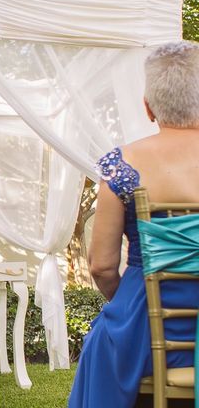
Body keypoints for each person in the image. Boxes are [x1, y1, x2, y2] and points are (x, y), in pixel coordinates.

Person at [68, 41, 199, 408]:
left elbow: (102, 266)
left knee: (105, 337)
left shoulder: (123, 164)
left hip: (145, 330)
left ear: (148, 107)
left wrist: (128, 304)